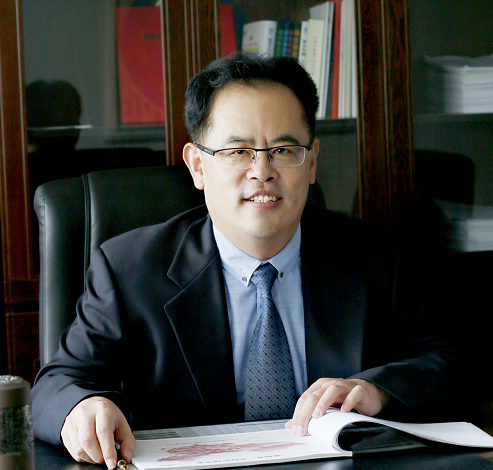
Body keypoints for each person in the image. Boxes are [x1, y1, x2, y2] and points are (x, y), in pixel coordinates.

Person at [31, 53, 479, 469]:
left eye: (283, 150)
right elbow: (55, 385)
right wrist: (81, 407)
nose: (262, 171)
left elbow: (454, 368)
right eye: (237, 151)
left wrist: (376, 390)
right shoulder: (130, 269)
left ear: (312, 161)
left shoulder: (372, 257)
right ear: (198, 166)